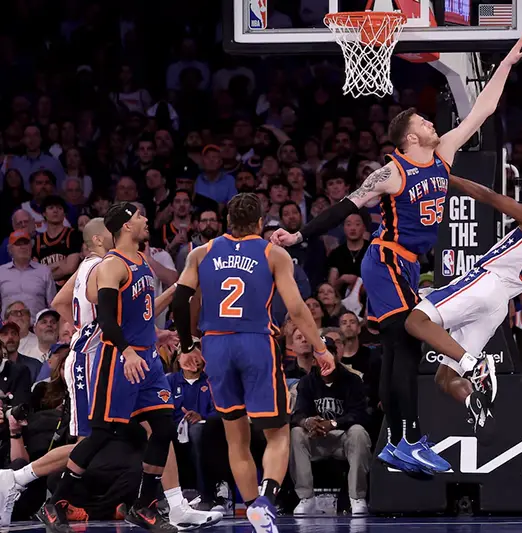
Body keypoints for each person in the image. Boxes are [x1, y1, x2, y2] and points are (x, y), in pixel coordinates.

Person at [271, 35, 522, 474]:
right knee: (407, 343)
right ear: (411, 136)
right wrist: (299, 237)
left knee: (396, 349)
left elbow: (482, 108)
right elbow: (345, 206)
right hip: (386, 259)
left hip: (408, 267)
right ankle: (409, 438)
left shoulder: (442, 154)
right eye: (425, 122)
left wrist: (505, 63)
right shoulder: (392, 172)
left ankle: (396, 441)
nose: (433, 124)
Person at [2, 218, 219, 529]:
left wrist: (145, 332)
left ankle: (173, 504)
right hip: (97, 358)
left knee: (159, 423)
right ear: (102, 241)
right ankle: (18, 480)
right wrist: (88, 333)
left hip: (122, 352)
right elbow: (109, 314)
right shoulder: (102, 266)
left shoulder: (103, 264)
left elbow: (65, 303)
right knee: (92, 439)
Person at [405, 131, 522, 438]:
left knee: (415, 321)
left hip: (485, 282)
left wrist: (448, 179)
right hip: (499, 306)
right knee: (443, 380)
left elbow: (488, 197)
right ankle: (474, 402)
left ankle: (473, 366)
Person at [171, 192, 335, 533]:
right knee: (277, 434)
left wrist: (187, 345)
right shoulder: (272, 253)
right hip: (255, 342)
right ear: (260, 223)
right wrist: (320, 348)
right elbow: (297, 307)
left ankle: (252, 511)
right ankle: (265, 500)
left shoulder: (201, 253)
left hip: (215, 345)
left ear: (226, 221)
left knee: (237, 438)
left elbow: (181, 298)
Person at [36, 203, 178, 533]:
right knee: (100, 433)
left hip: (147, 359)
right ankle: (55, 502)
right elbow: (107, 320)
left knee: (164, 426)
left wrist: (156, 333)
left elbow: (138, 313)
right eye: (139, 217)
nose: (146, 221)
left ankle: (144, 504)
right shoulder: (111, 266)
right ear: (125, 226)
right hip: (118, 359)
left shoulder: (143, 259)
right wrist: (127, 352)